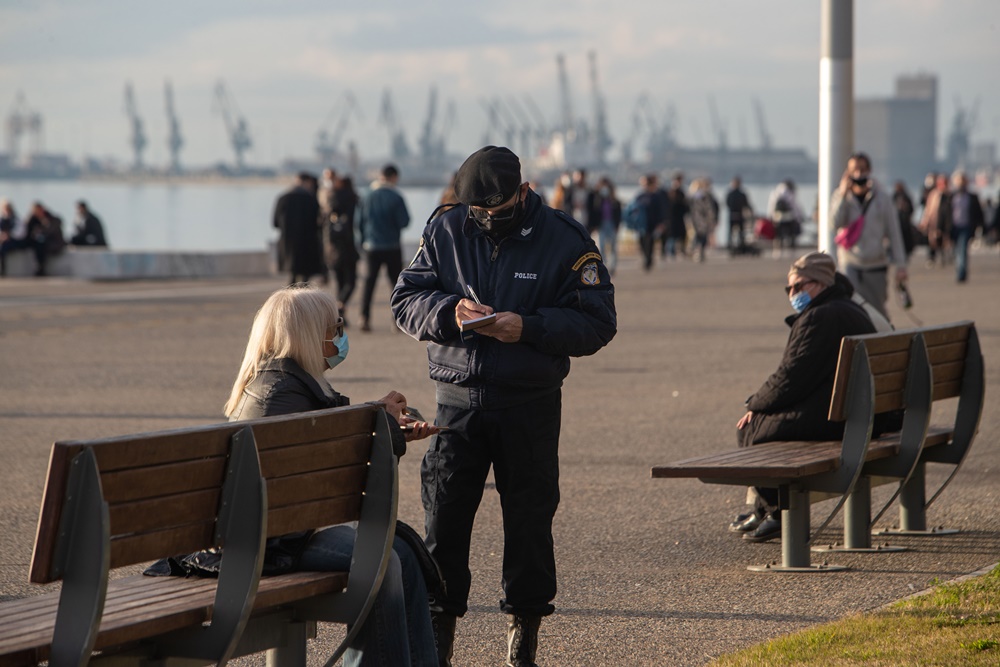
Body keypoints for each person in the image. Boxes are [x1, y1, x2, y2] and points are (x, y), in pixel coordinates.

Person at [390, 146, 617, 667]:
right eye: (479, 211)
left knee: (530, 525)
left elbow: (598, 321)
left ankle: (523, 638)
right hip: (456, 405)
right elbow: (406, 299)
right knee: (443, 524)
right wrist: (449, 312)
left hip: (529, 405)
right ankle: (437, 644)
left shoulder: (565, 239)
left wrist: (528, 328)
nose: (488, 220)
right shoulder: (447, 228)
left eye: (497, 209)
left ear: (523, 191)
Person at [223, 285, 440, 667]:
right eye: (334, 326)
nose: (341, 335)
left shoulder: (291, 385)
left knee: (400, 552)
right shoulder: (280, 396)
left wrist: (380, 421)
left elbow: (328, 440)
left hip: (286, 530)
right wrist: (378, 425)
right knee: (383, 563)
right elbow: (332, 455)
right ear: (309, 335)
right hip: (267, 542)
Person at [731, 252, 883, 542]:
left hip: (843, 418)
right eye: (789, 288)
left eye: (800, 286)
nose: (793, 294)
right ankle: (765, 509)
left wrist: (755, 404)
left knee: (752, 429)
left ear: (823, 283)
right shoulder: (846, 308)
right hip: (858, 412)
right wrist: (762, 404)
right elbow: (799, 377)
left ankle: (777, 512)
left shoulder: (820, 317)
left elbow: (791, 378)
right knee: (761, 421)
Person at [829, 152, 908, 320]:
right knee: (851, 310)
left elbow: (894, 233)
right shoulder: (841, 196)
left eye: (862, 170)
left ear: (870, 170)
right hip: (850, 263)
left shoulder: (882, 198)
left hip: (876, 264)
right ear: (847, 173)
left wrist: (901, 265)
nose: (858, 174)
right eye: (854, 170)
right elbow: (834, 223)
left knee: (877, 311)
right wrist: (843, 195)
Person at [358, 164, 410, 332]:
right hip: (392, 246)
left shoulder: (366, 195)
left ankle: (364, 317)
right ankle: (397, 319)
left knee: (368, 283)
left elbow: (357, 223)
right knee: (396, 284)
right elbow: (404, 221)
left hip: (371, 246)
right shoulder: (396, 197)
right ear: (393, 177)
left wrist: (360, 244)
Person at [274, 172, 326, 285]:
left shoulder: (283, 198)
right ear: (307, 182)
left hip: (287, 243)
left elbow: (275, 223)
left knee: (292, 278)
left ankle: (288, 301)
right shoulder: (311, 200)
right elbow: (318, 223)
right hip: (307, 244)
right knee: (305, 280)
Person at [327, 175, 361, 325]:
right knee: (351, 282)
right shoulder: (353, 200)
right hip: (349, 248)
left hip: (333, 250)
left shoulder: (332, 201)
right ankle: (340, 306)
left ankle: (340, 315)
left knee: (340, 283)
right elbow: (358, 224)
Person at [947, 170, 984, 283]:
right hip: (953, 227)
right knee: (956, 250)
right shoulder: (950, 197)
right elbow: (944, 213)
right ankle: (959, 268)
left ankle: (961, 272)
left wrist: (981, 227)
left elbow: (978, 213)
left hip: (966, 226)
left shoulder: (972, 197)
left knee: (962, 249)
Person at [626, 174, 667, 272]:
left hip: (652, 224)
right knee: (641, 242)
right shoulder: (640, 196)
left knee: (650, 242)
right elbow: (633, 209)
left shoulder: (656, 196)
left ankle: (648, 260)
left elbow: (661, 210)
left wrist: (661, 223)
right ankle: (646, 258)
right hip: (641, 224)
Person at [588, 176, 622, 275]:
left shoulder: (615, 201)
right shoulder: (597, 199)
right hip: (601, 225)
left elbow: (618, 214)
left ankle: (612, 266)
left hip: (611, 225)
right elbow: (594, 212)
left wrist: (617, 226)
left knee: (613, 247)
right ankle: (603, 266)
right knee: (601, 246)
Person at [24, 202, 66, 277]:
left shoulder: (51, 218)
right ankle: (40, 267)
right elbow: (27, 231)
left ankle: (41, 268)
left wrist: (43, 227)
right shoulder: (33, 219)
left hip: (52, 242)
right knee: (38, 245)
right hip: (38, 242)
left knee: (41, 246)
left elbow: (51, 230)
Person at [918, 172, 951, 267]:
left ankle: (944, 257)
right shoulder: (934, 195)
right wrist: (925, 221)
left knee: (944, 241)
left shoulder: (950, 196)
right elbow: (929, 210)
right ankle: (932, 257)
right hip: (935, 222)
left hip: (946, 223)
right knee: (933, 241)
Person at [766, 179, 804, 256]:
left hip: (777, 218)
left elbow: (771, 206)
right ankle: (792, 249)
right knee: (791, 234)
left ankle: (777, 250)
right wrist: (799, 217)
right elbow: (795, 207)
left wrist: (771, 217)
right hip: (789, 218)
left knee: (778, 235)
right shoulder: (790, 194)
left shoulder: (774, 193)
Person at [688, 178, 717, 263]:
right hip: (702, 219)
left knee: (698, 235)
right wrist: (712, 218)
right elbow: (709, 209)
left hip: (695, 219)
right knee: (702, 236)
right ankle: (698, 251)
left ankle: (695, 250)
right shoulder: (705, 196)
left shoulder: (692, 196)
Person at [0, 199, 29, 277]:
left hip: (15, 241)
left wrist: (9, 235)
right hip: (4, 240)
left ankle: (3, 270)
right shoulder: (2, 219)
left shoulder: (16, 219)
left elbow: (21, 233)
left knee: (3, 248)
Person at [663, 171, 689, 259]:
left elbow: (685, 205)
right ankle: (671, 252)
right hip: (672, 218)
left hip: (679, 217)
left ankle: (679, 251)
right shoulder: (671, 192)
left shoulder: (681, 192)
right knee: (672, 236)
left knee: (681, 235)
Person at [725, 176, 753, 254]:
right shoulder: (742, 194)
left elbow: (727, 203)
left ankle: (730, 246)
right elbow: (747, 204)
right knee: (741, 233)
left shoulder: (730, 194)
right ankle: (741, 246)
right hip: (740, 215)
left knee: (731, 233)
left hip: (732, 215)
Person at [891, 182, 915, 260]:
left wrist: (906, 211)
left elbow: (911, 209)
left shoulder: (906, 197)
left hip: (905, 222)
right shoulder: (894, 197)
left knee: (906, 239)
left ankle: (906, 253)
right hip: (896, 222)